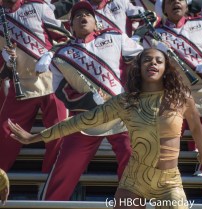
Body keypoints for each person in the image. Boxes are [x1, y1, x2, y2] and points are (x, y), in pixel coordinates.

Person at [8, 47, 202, 209]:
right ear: (139, 67)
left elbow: (197, 128)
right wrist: (34, 138)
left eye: (158, 61)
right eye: (147, 60)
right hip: (134, 181)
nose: (152, 63)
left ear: (166, 68)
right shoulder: (125, 101)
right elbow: (80, 121)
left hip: (169, 180)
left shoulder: (181, 98)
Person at [33, 1, 144, 200]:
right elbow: (61, 91)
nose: (83, 17)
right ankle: (50, 204)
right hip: (85, 118)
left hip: (121, 115)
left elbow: (141, 60)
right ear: (70, 26)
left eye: (87, 15)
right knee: (65, 168)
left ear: (96, 22)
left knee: (133, 159)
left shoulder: (115, 37)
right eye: (77, 16)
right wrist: (87, 100)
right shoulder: (61, 55)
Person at [143, 0, 202, 204]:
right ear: (162, 8)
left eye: (179, 0)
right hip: (171, 90)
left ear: (186, 4)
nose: (176, 4)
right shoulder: (152, 34)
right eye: (170, 1)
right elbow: (144, 66)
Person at [0, 0, 70, 175]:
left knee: (58, 135)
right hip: (21, 86)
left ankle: (50, 182)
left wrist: (50, 54)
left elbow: (65, 39)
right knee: (5, 133)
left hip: (52, 82)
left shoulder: (38, 6)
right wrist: (6, 60)